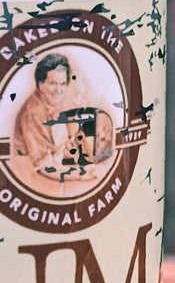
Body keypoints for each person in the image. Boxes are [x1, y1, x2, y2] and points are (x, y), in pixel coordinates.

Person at [8, 52, 114, 196]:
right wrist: (82, 173)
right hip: (31, 179)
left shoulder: (51, 103)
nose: (59, 90)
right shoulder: (33, 113)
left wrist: (87, 165)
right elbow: (44, 167)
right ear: (40, 84)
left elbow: (56, 145)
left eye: (63, 84)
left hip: (54, 170)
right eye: (53, 84)